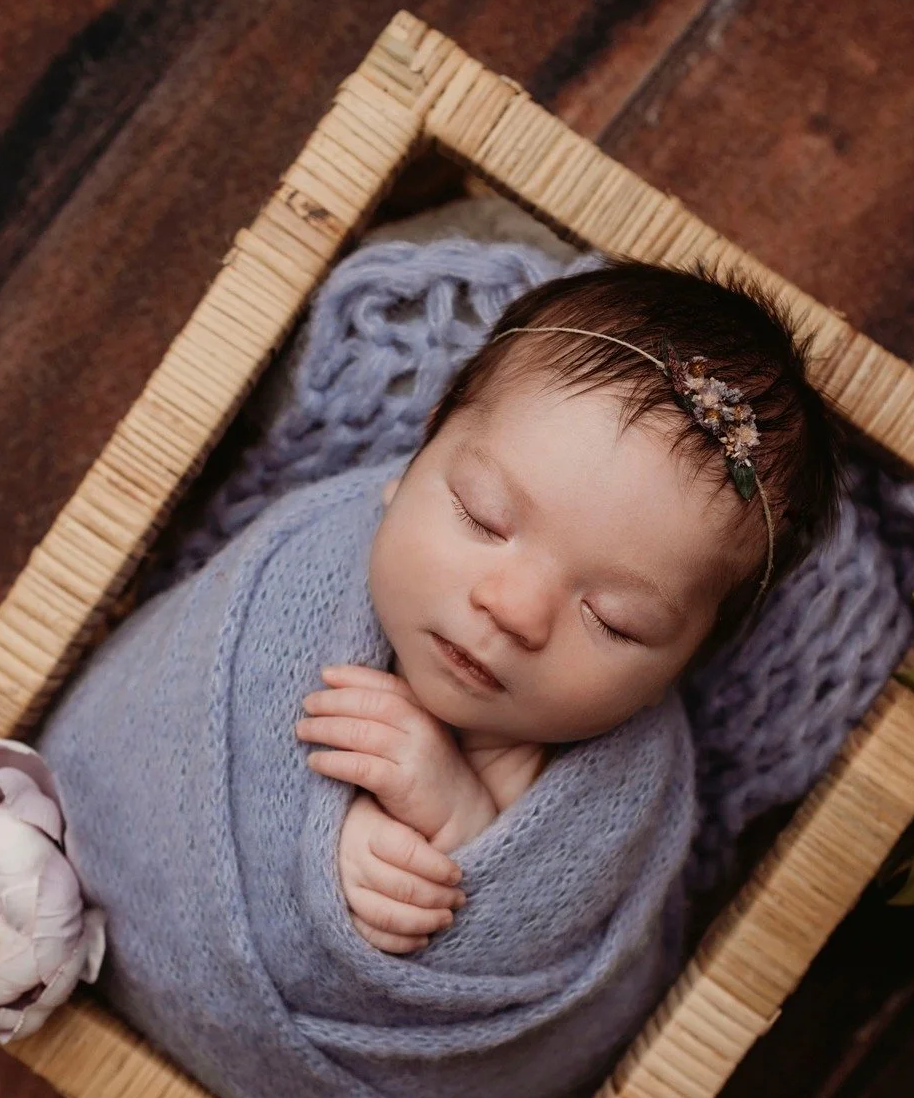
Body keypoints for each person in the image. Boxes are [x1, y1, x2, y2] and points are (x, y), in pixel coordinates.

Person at [295, 261, 844, 954]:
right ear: (422, 448)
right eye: (484, 519)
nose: (515, 610)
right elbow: (195, 708)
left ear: (683, 663)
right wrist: (310, 835)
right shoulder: (311, 556)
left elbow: (556, 953)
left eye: (613, 619)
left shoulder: (619, 796)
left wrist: (463, 829)